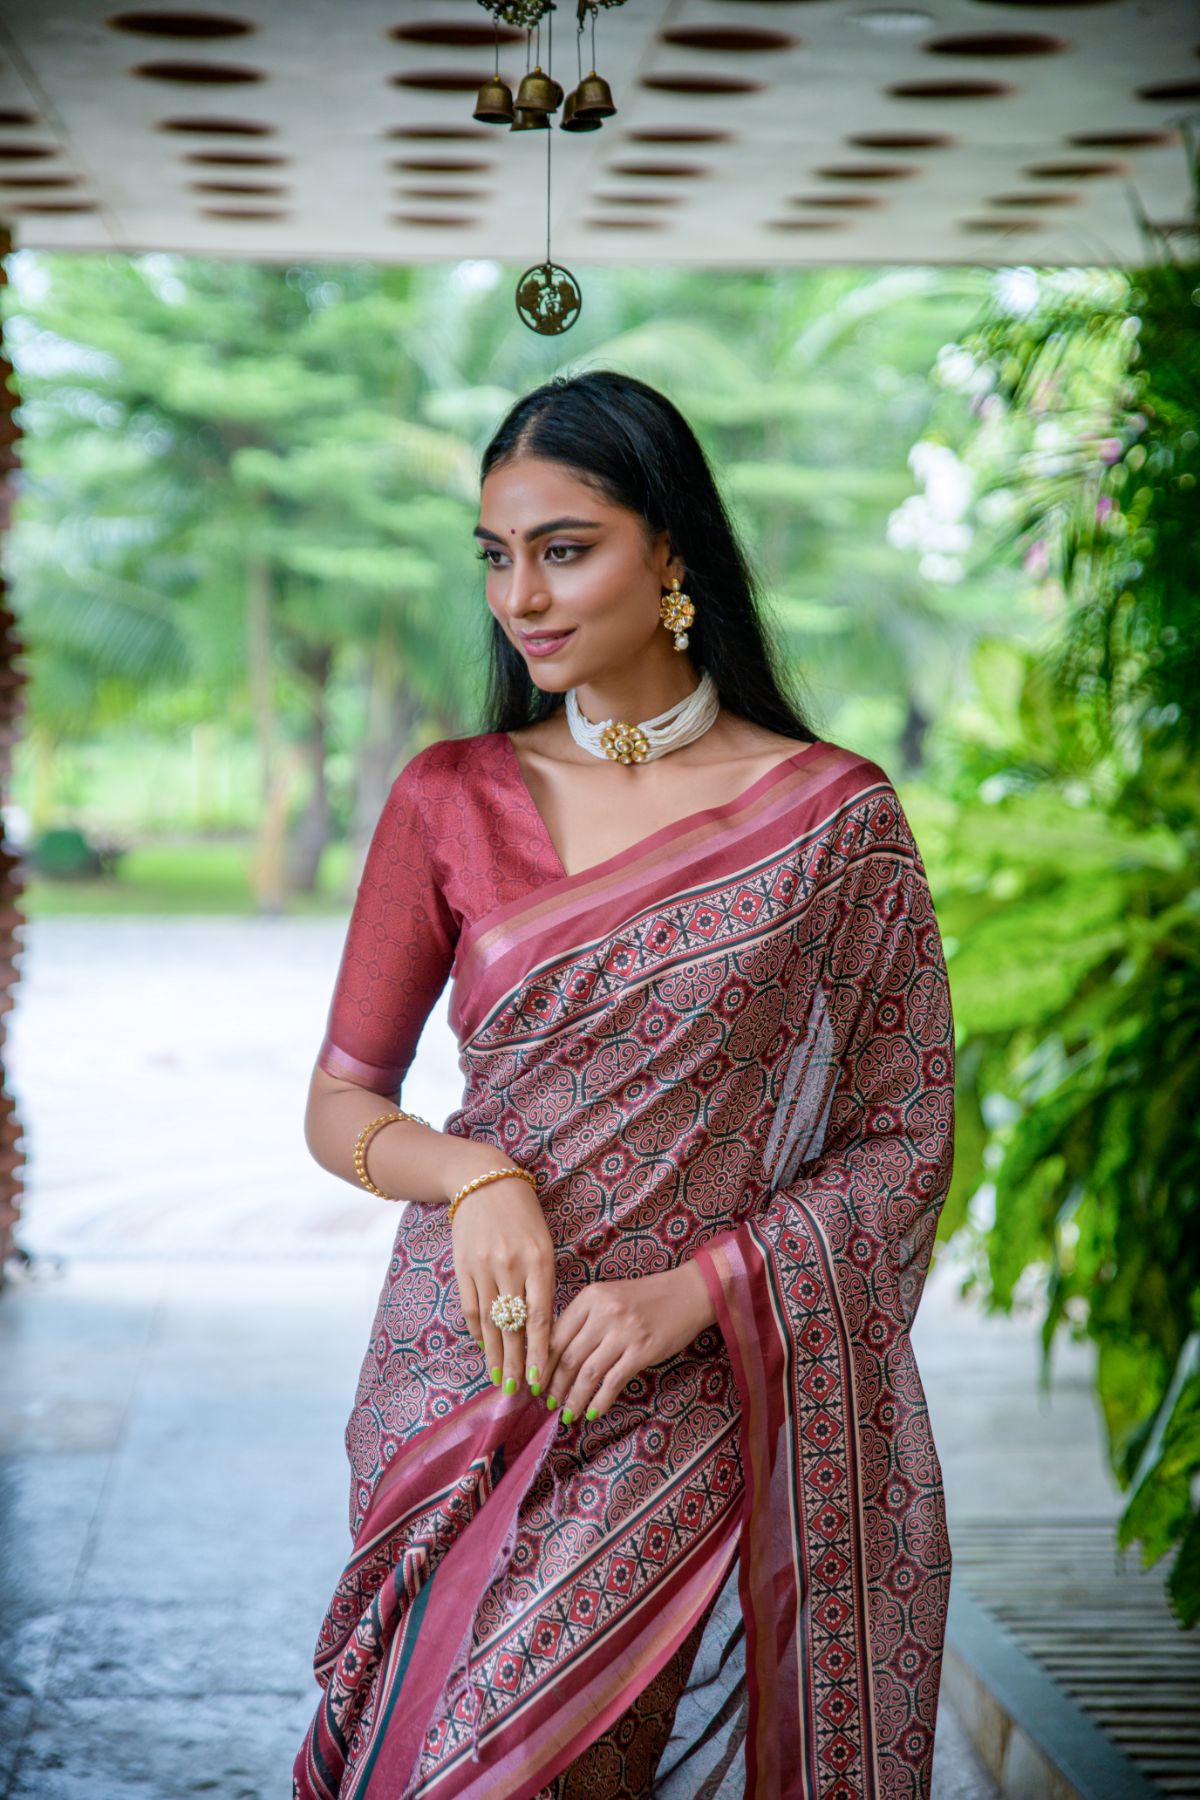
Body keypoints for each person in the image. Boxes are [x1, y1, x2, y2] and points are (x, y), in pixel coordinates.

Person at [292, 369, 955, 1800]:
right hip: (454, 1379)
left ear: (670, 553)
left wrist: (696, 1295)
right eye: (496, 555)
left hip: (689, 1387)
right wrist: (475, 1175)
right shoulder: (448, 796)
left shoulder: (831, 820)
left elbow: (905, 1137)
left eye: (564, 547)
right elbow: (341, 1102)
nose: (520, 594)